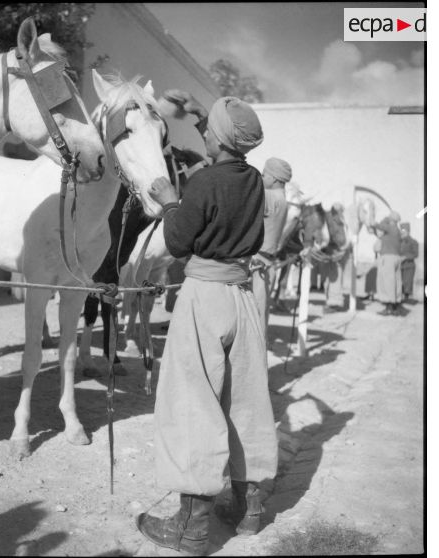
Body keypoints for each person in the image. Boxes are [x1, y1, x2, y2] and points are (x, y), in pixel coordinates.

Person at [136, 91, 278, 555]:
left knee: (192, 402)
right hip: (240, 297)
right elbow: (226, 167)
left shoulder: (200, 184)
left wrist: (171, 200)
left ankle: (191, 527)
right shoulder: (254, 180)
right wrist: (204, 118)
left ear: (216, 140)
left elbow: (178, 243)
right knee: (246, 401)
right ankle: (248, 510)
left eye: (209, 131)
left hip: (203, 299)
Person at [250, 157, 291, 337]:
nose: (261, 177)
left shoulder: (269, 196)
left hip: (257, 263)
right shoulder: (282, 199)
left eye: (264, 174)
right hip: (267, 264)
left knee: (252, 319)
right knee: (260, 316)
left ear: (274, 178)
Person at [372, 210, 403, 315]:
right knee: (396, 282)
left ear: (391, 220)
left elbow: (378, 225)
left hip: (388, 258)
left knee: (387, 282)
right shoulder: (397, 231)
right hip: (397, 258)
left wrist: (386, 218)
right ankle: (395, 306)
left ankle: (389, 307)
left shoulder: (390, 228)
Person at [322, 202, 351, 312]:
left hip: (336, 250)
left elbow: (338, 236)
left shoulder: (336, 220)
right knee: (333, 276)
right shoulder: (338, 220)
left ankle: (333, 303)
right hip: (334, 249)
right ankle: (332, 301)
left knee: (335, 276)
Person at [399, 222, 419, 302]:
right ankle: (401, 297)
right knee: (401, 282)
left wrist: (405, 257)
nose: (402, 233)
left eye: (404, 232)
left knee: (408, 281)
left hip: (409, 265)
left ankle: (406, 298)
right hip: (400, 265)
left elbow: (415, 254)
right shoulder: (399, 242)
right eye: (401, 232)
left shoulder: (413, 242)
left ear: (408, 231)